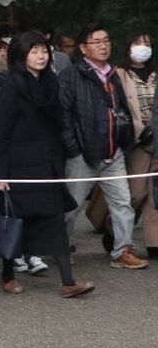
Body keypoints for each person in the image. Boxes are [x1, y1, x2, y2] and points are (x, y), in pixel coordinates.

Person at [0, 32, 95, 298]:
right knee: (16, 222)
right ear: (21, 54)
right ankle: (7, 275)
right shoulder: (11, 86)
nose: (41, 56)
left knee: (55, 221)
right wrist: (0, 175)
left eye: (44, 50)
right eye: (34, 51)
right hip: (19, 166)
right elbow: (1, 135)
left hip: (47, 164)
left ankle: (68, 282)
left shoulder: (51, 82)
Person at [60, 24, 147, 269]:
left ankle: (122, 251)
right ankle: (61, 248)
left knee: (122, 204)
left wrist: (124, 140)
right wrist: (74, 148)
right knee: (71, 206)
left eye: (106, 41)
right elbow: (63, 115)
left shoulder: (114, 73)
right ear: (83, 48)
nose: (103, 46)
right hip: (83, 153)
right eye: (96, 42)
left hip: (114, 152)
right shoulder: (71, 75)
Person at [115, 31, 158, 257]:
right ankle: (113, 229)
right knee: (137, 191)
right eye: (137, 43)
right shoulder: (119, 74)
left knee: (155, 193)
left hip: (157, 136)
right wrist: (139, 128)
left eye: (146, 43)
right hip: (136, 140)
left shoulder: (155, 74)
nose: (142, 47)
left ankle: (154, 242)